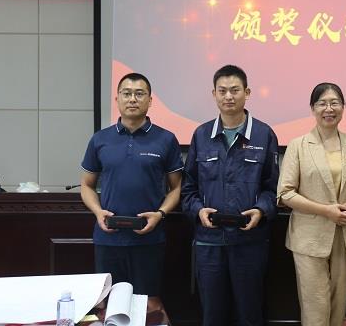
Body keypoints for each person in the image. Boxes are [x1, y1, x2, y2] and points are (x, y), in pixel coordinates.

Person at [181, 64, 279, 326]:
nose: (228, 96)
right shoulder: (202, 135)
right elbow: (188, 188)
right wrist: (198, 210)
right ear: (213, 94)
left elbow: (273, 188)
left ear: (247, 92)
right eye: (222, 91)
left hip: (250, 242)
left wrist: (261, 210)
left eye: (235, 90)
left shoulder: (264, 134)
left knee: (250, 314)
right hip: (209, 243)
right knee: (213, 315)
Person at [277, 83, 346, 326]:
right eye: (322, 103)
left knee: (338, 308)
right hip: (310, 237)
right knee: (315, 307)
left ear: (343, 107)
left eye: (334, 103)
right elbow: (285, 194)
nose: (329, 109)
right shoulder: (298, 145)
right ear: (313, 108)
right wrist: (326, 211)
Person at [80, 72, 183, 296]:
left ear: (150, 100)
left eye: (139, 94)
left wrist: (160, 214)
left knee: (146, 303)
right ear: (117, 99)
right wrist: (98, 212)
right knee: (108, 305)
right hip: (108, 239)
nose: (132, 99)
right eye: (126, 94)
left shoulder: (166, 139)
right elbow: (86, 185)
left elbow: (176, 188)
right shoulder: (100, 139)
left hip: (149, 240)